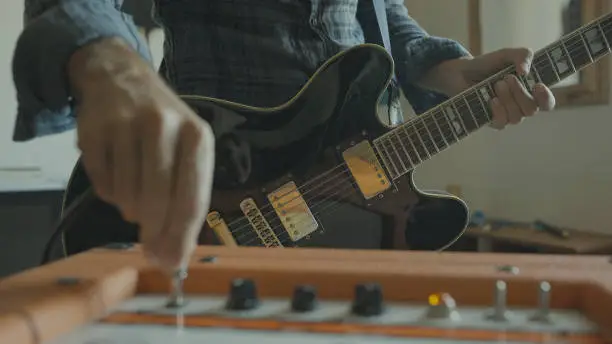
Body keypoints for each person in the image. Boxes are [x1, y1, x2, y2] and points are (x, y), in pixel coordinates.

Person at [12, 0, 555, 272]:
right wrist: (111, 63)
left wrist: (446, 70)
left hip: (350, 191)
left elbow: (381, 13)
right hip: (225, 181)